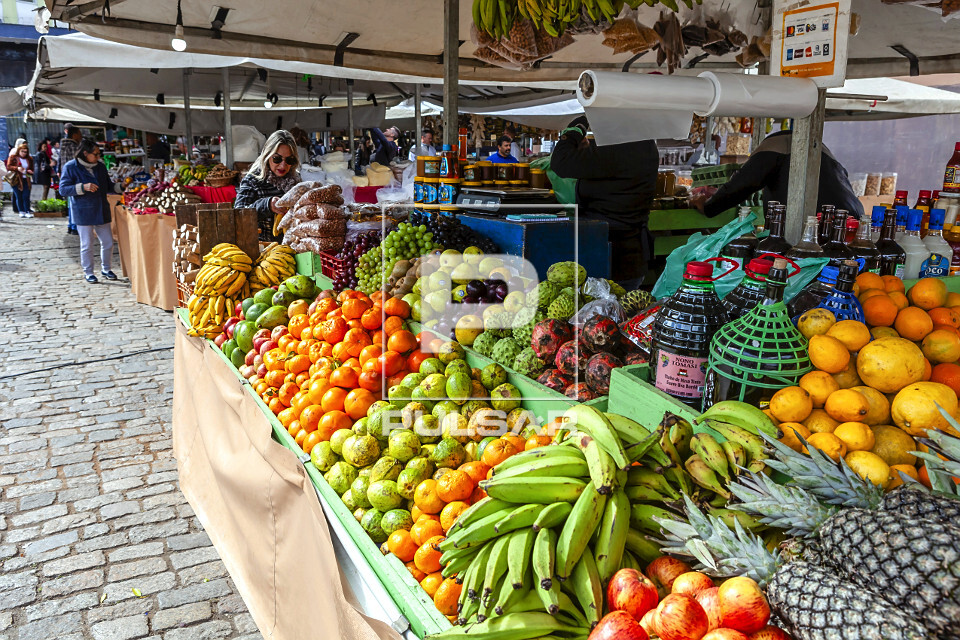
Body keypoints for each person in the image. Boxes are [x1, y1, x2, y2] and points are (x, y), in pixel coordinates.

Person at [550, 116, 659, 289]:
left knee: (604, 314)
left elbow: (561, 162)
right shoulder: (643, 145)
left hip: (611, 257)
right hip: (629, 254)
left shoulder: (620, 147)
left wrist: (575, 129)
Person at [699, 130, 864, 219]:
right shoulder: (818, 150)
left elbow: (741, 185)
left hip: (822, 222)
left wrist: (707, 206)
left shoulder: (771, 149)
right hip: (853, 216)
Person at [59, 138, 121, 283]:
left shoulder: (100, 166)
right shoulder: (70, 167)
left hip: (101, 209)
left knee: (108, 242)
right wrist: (82, 187)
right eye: (96, 154)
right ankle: (89, 272)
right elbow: (63, 189)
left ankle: (106, 269)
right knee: (87, 244)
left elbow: (108, 186)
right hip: (83, 211)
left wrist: (121, 187)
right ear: (85, 153)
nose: (98, 157)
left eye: (99, 154)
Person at [234, 129, 301, 242]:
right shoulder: (252, 180)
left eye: (289, 160)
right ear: (267, 155)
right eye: (277, 159)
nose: (283, 165)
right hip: (263, 248)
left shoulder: (296, 181)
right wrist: (267, 205)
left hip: (293, 247)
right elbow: (238, 214)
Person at [59, 124, 83, 235]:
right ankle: (74, 226)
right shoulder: (73, 146)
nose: (81, 136)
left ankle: (71, 225)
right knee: (74, 202)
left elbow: (60, 161)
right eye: (79, 134)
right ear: (74, 135)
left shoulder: (63, 145)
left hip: (66, 175)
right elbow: (78, 161)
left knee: (71, 202)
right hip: (74, 176)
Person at [6, 142, 34, 218]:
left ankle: (27, 210)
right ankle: (21, 211)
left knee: (26, 195)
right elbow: (9, 166)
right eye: (22, 151)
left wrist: (30, 171)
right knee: (19, 195)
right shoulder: (13, 157)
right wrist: (17, 168)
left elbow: (31, 168)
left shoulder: (29, 159)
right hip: (16, 179)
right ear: (18, 150)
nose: (24, 153)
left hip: (26, 179)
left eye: (25, 151)